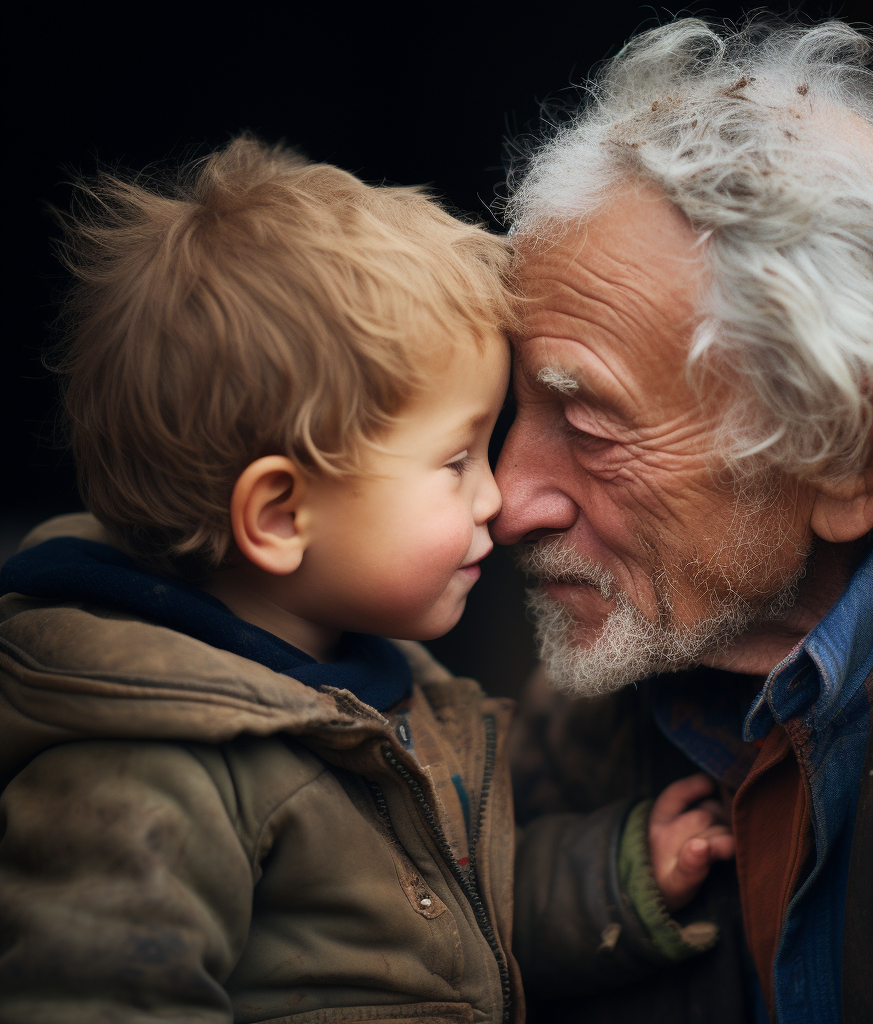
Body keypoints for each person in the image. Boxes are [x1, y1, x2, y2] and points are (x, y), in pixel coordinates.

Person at [0, 135, 732, 1023]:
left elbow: (450, 920)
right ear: (279, 516)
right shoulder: (140, 773)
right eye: (456, 459)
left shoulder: (379, 688)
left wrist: (615, 879)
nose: (496, 499)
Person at [497, 17, 873, 1024]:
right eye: (507, 410)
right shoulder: (584, 719)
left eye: (588, 424)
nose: (505, 495)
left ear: (847, 454)